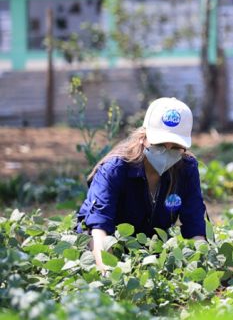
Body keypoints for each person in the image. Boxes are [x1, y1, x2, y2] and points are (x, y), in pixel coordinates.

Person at [76, 97, 207, 271]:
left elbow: (195, 224)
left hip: (149, 251)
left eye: (175, 146)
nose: (167, 150)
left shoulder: (186, 168)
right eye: (160, 144)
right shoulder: (115, 169)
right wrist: (106, 272)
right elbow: (99, 226)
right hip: (104, 244)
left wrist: (202, 267)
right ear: (143, 137)